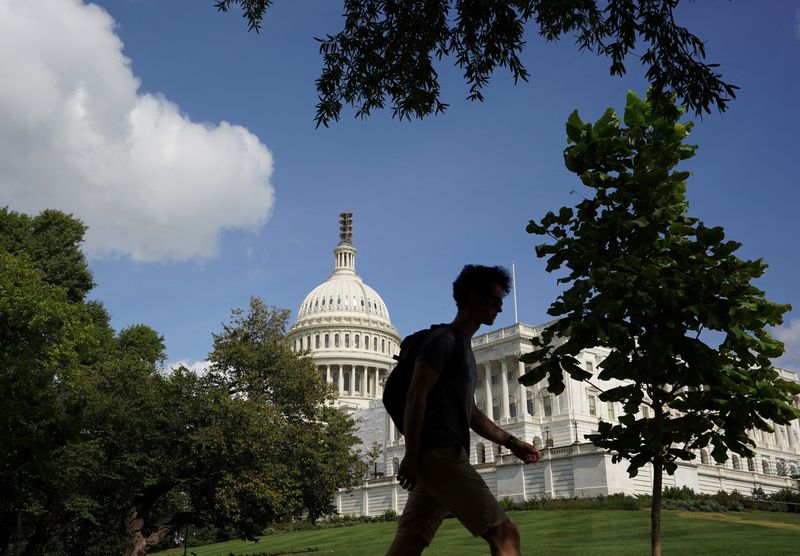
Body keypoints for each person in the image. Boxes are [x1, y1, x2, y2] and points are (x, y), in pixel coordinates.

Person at [387, 265, 542, 556]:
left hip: (439, 456)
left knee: (408, 544)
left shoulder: (464, 350)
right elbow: (415, 395)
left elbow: (469, 413)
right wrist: (410, 454)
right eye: (495, 301)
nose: (499, 309)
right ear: (474, 298)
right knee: (505, 536)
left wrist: (511, 442)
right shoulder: (443, 340)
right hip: (439, 454)